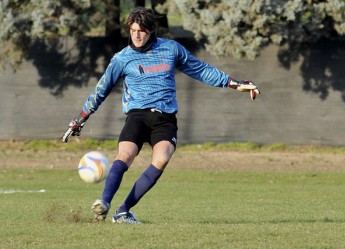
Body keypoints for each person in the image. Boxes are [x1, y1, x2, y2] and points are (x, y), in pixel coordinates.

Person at [63, 7, 260, 224]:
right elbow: (101, 90)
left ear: (151, 31)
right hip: (137, 115)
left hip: (165, 119)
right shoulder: (122, 59)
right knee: (125, 155)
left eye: (142, 31)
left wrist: (235, 84)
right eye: (133, 30)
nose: (137, 35)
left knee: (162, 158)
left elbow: (201, 70)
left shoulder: (171, 49)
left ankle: (123, 211)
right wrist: (80, 118)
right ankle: (104, 203)